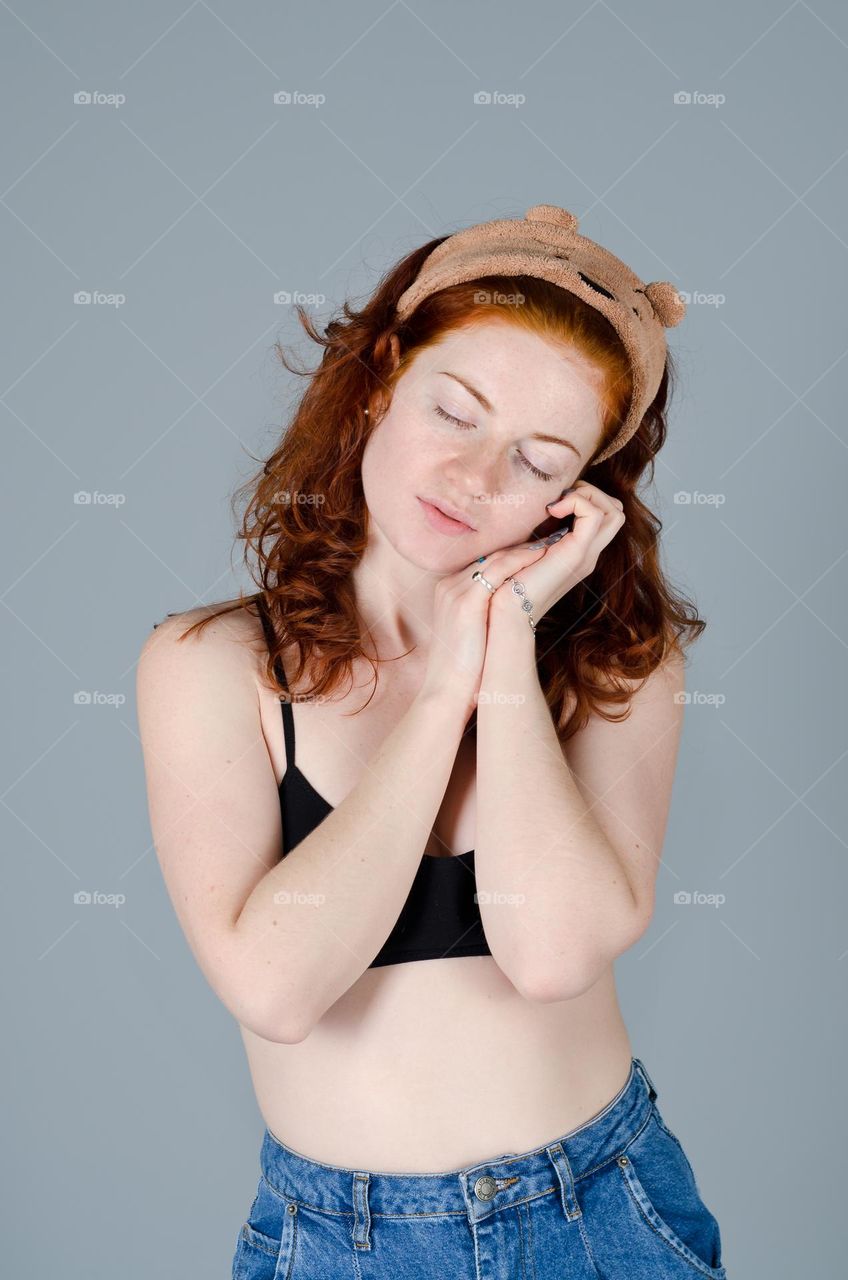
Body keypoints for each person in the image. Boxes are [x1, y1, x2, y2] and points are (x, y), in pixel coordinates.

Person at [137, 204, 728, 1278]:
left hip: (598, 1214)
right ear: (377, 382)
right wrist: (443, 678)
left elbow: (550, 955)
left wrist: (499, 649)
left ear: (579, 499)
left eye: (537, 459)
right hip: (338, 1240)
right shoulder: (210, 665)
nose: (475, 476)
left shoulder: (618, 667)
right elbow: (277, 986)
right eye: (453, 411)